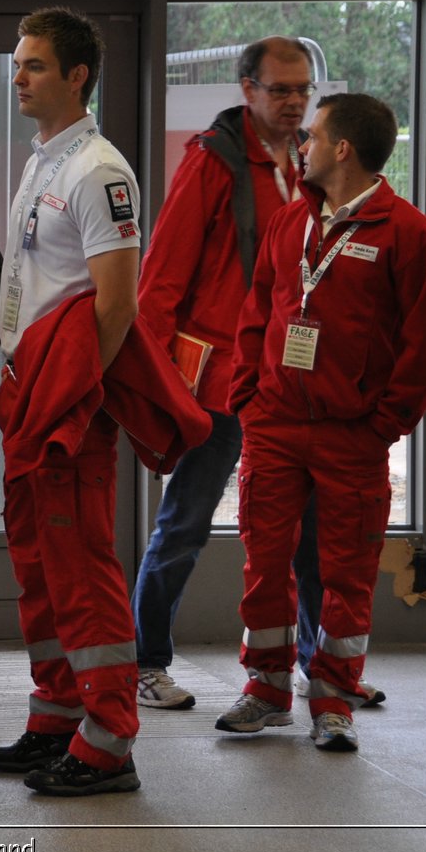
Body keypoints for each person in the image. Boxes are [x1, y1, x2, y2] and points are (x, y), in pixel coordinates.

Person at [129, 37, 370, 709]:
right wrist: (157, 388)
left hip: (293, 383)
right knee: (185, 523)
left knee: (312, 530)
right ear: (247, 91)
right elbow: (161, 279)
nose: (294, 102)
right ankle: (144, 661)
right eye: (280, 90)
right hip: (219, 383)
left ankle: (320, 665)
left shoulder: (310, 161)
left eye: (303, 91)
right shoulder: (212, 165)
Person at [220, 92, 426, 752]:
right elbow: (257, 310)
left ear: (342, 149)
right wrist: (248, 395)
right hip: (274, 424)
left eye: (314, 134)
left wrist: (385, 423)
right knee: (264, 562)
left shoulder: (409, 234)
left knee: (347, 567)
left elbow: (422, 342)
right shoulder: (291, 222)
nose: (304, 144)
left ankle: (334, 698)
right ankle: (264, 690)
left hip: (354, 433)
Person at [0, 6, 144, 797]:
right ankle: (57, 710)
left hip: (65, 405)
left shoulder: (99, 170)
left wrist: (73, 402)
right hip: (27, 392)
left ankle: (110, 735)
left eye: (35, 65)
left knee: (79, 565)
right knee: (39, 566)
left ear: (78, 75)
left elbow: (115, 306)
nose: (19, 76)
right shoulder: (44, 159)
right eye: (18, 63)